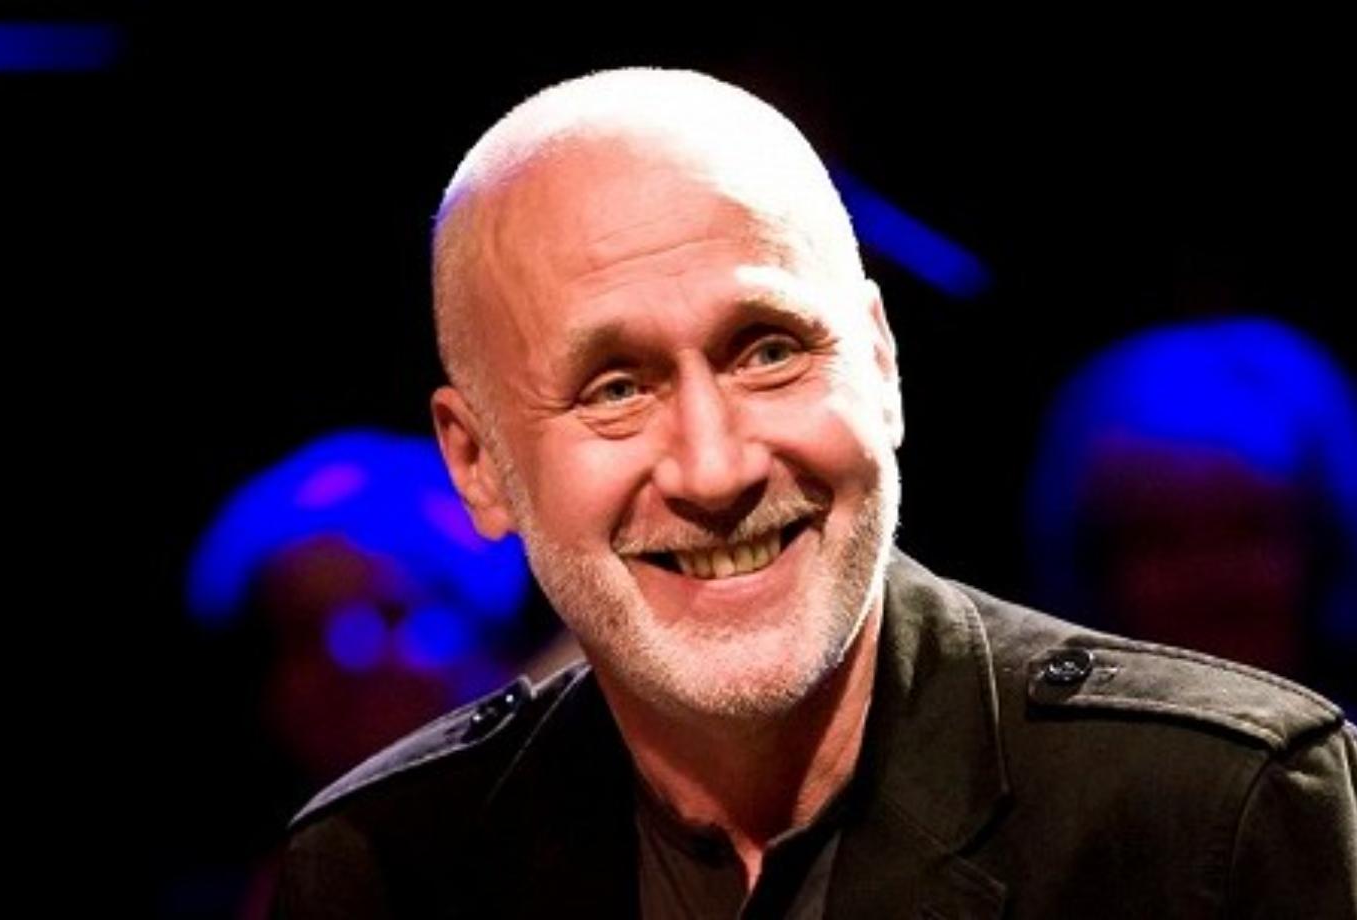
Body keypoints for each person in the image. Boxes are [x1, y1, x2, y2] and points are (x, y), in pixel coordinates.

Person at [272, 68, 1357, 918]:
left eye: (768, 351)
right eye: (615, 388)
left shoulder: (1214, 815)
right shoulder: (381, 870)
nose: (715, 470)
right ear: (477, 462)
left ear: (880, 366)